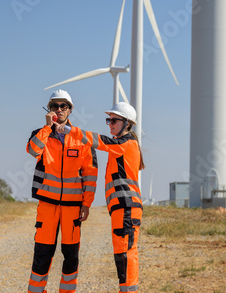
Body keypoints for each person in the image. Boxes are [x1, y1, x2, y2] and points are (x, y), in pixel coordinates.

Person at [55, 102, 144, 293]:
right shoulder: (122, 145)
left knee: (125, 254)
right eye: (108, 120)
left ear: (127, 123)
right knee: (122, 253)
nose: (110, 124)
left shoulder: (124, 144)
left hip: (126, 207)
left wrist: (70, 130)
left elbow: (98, 140)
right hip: (123, 208)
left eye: (114, 120)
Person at [26, 89, 98, 293]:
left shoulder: (83, 139)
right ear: (48, 109)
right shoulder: (40, 135)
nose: (58, 110)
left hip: (73, 208)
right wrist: (47, 128)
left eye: (63, 106)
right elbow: (33, 150)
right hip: (47, 205)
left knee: (71, 256)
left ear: (70, 109)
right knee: (42, 253)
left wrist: (87, 204)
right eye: (54, 106)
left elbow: (90, 175)